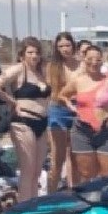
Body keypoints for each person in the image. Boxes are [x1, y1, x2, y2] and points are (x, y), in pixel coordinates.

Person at [0, 37, 50, 203]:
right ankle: (24, 206)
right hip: (24, 122)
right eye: (30, 52)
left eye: (36, 52)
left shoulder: (42, 72)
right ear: (22, 55)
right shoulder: (18, 69)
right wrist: (12, 102)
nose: (34, 56)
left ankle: (34, 205)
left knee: (37, 171)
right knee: (28, 170)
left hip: (42, 123)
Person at [60, 44, 108, 183]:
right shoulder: (78, 80)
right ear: (84, 59)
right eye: (90, 59)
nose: (94, 62)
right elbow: (62, 95)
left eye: (97, 59)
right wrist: (70, 106)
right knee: (86, 175)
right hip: (82, 130)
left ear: (102, 61)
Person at [45, 33, 80, 192]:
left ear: (73, 46)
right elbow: (53, 92)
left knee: (76, 156)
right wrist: (67, 99)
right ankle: (50, 195)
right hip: (59, 110)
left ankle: (75, 194)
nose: (65, 49)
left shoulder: (82, 65)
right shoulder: (53, 67)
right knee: (57, 158)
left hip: (78, 110)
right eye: (61, 46)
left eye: (67, 45)